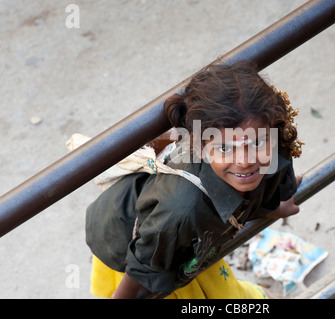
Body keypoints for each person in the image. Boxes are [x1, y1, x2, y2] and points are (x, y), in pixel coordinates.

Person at [86, 60, 304, 299]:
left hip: (194, 244)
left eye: (258, 143)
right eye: (224, 148)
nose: (245, 161)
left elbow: (275, 179)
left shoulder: (276, 143)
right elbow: (141, 270)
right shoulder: (180, 211)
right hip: (139, 251)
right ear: (199, 147)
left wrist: (275, 207)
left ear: (275, 129)